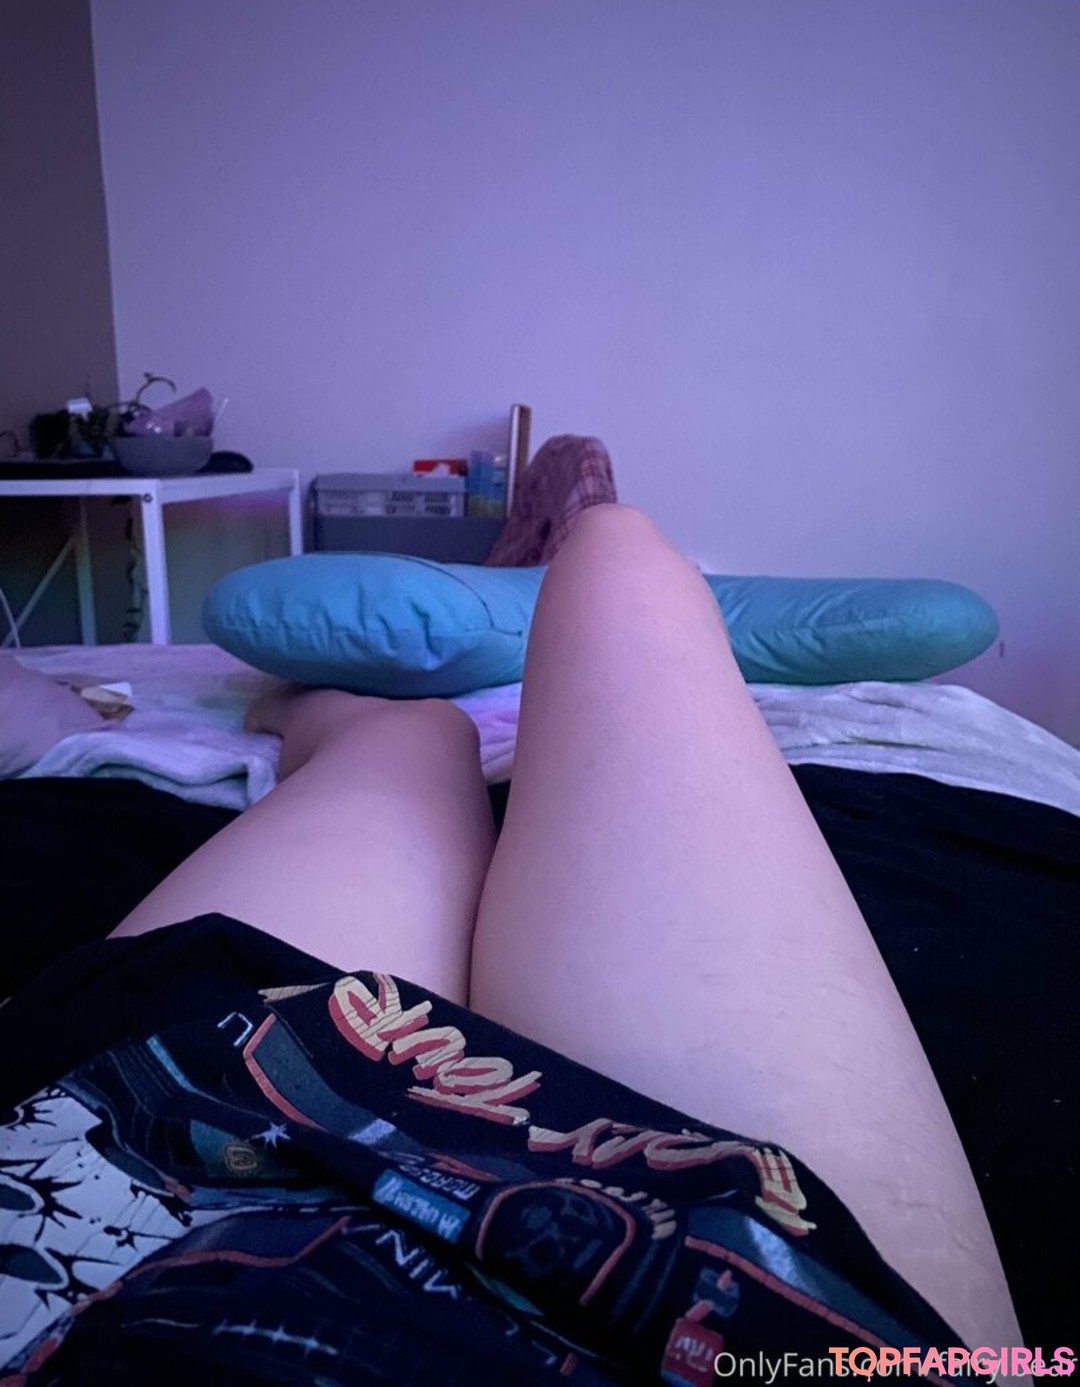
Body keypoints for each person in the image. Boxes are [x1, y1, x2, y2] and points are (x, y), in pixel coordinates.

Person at [0, 505, 1018, 1380]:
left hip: (117, 1157)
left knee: (412, 733)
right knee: (615, 553)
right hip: (787, 1308)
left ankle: (423, 677)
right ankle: (553, 602)